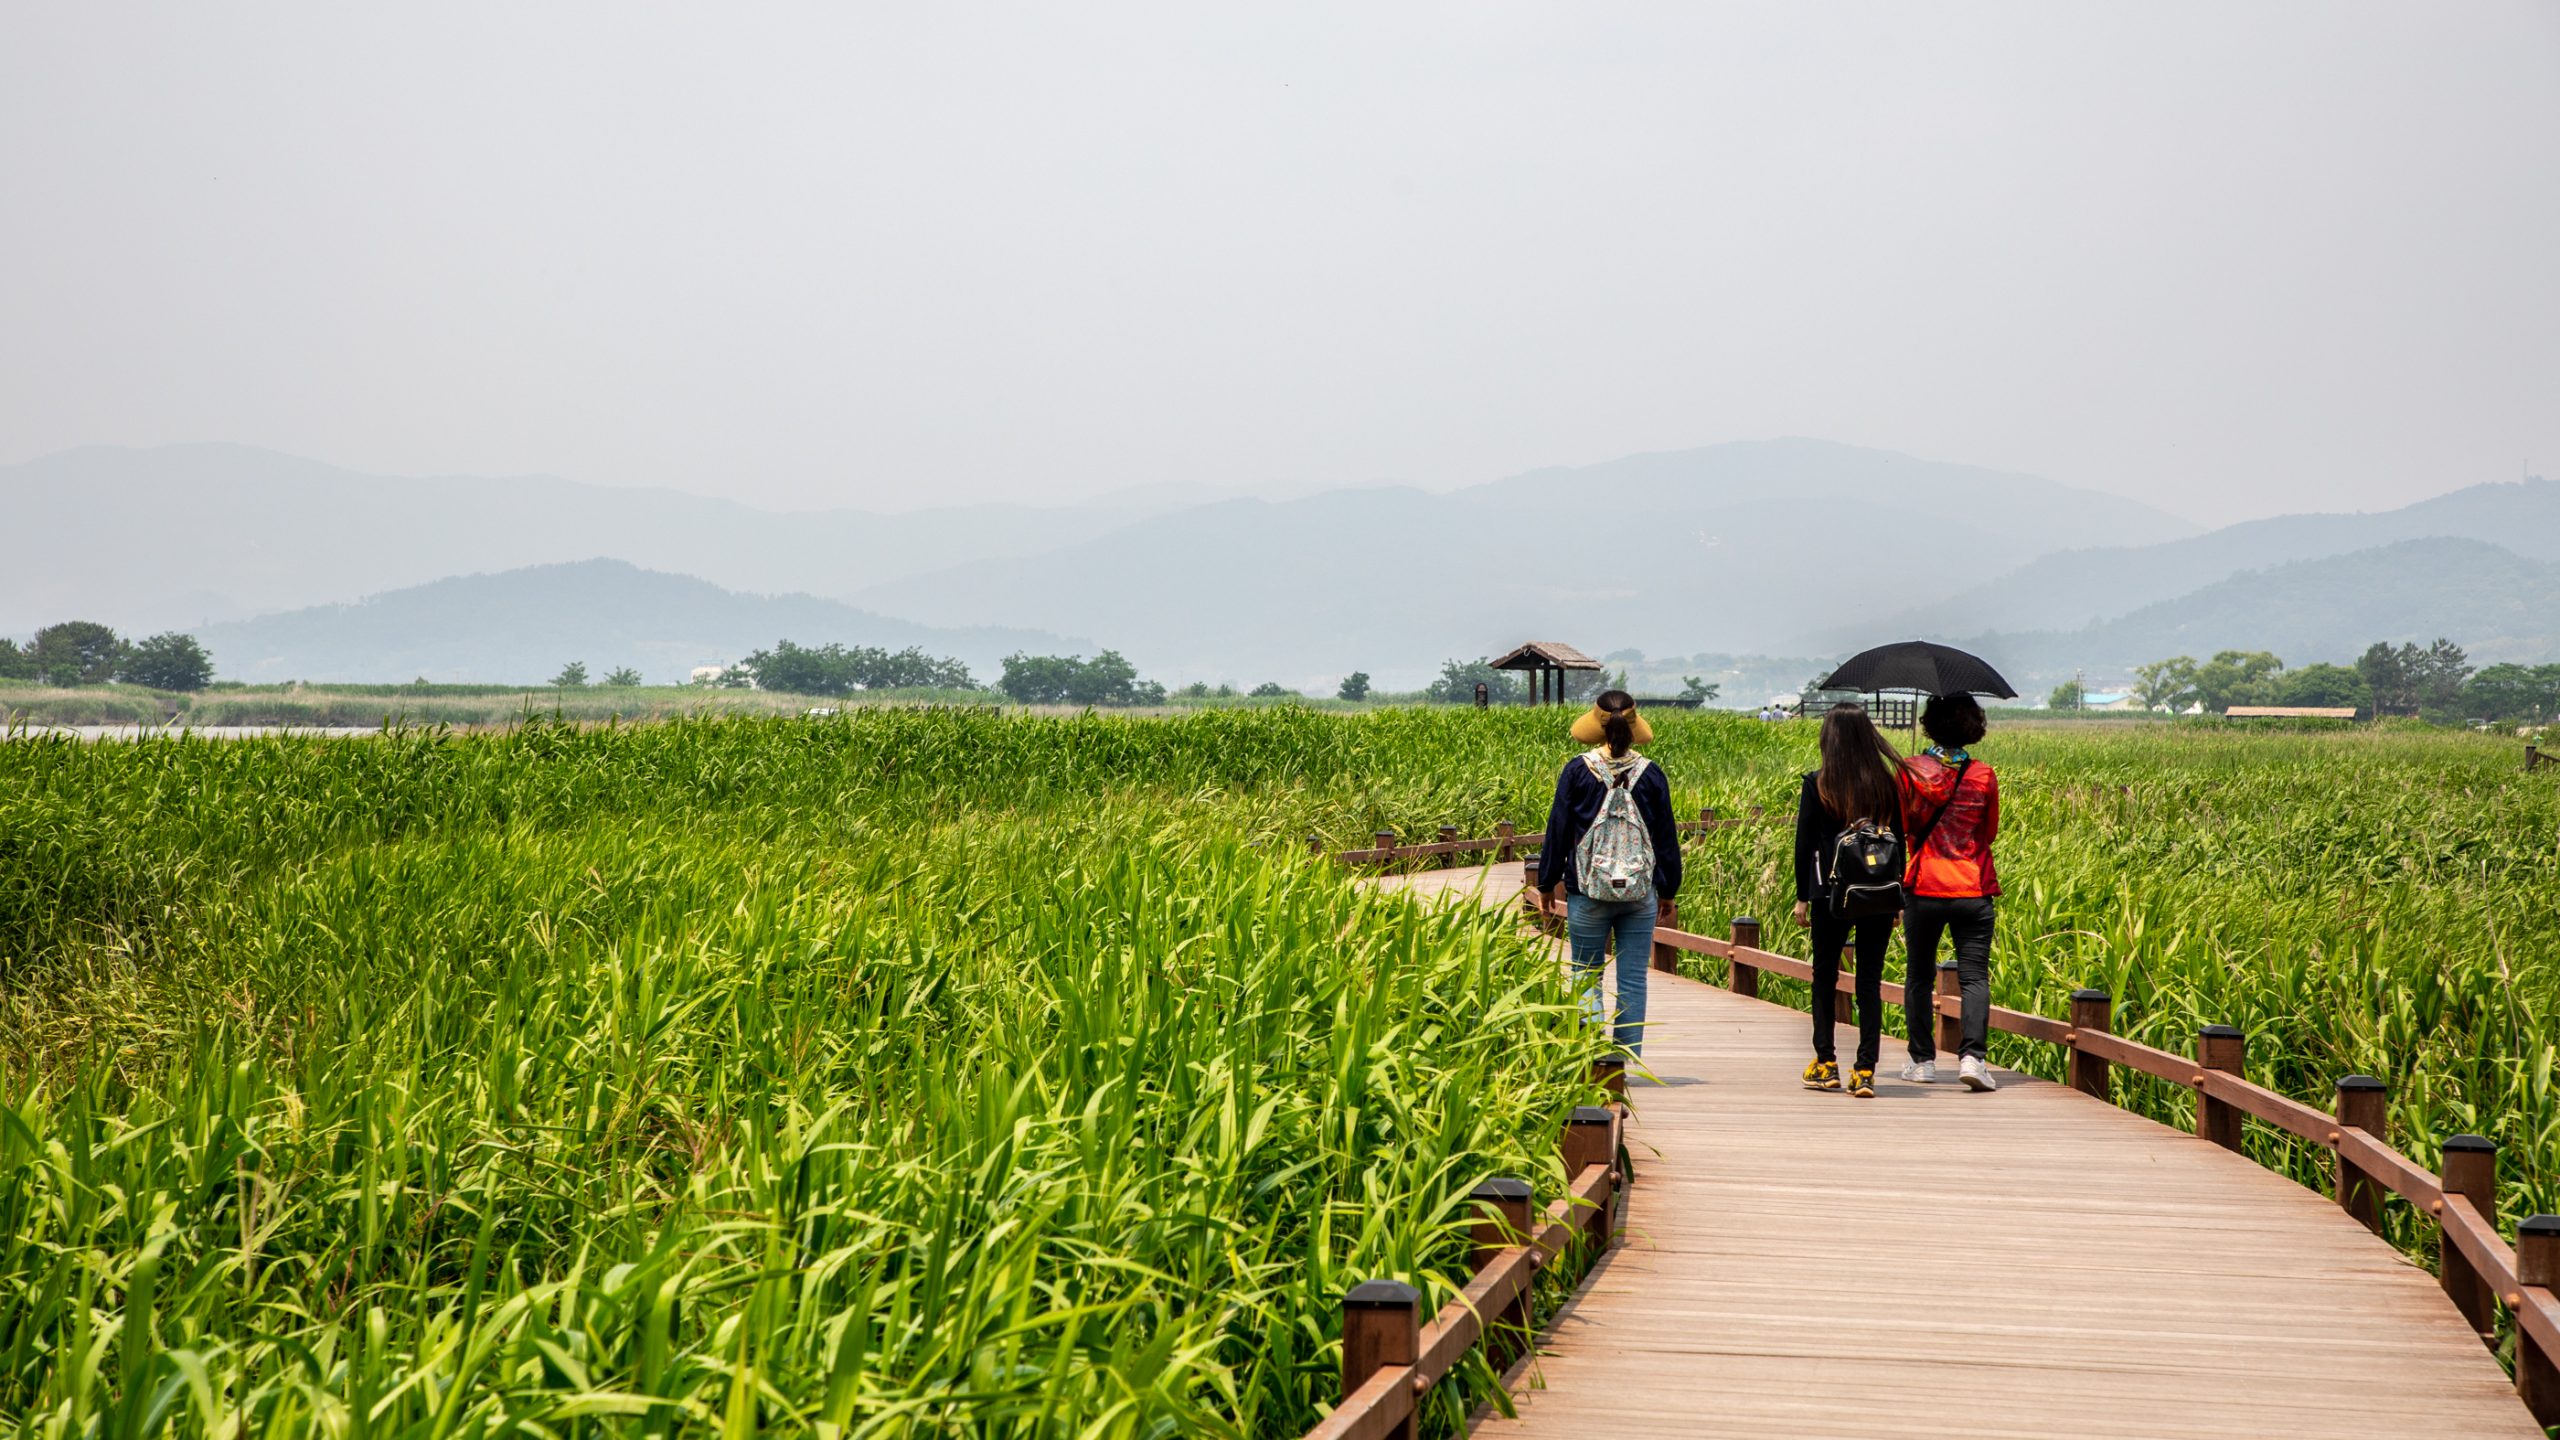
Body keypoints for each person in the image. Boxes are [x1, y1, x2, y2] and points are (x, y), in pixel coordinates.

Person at [1539, 689, 1681, 1056]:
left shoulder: (1577, 771)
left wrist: (1546, 883)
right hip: (1639, 894)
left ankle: (1589, 1056)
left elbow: (1557, 830)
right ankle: (1623, 1059)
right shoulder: (1651, 774)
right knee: (1632, 979)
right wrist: (1668, 891)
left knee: (1586, 974)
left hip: (1587, 891)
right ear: (1633, 726)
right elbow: (1665, 838)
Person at [1790, 703, 1905, 1098]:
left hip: (1830, 893)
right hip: (1877, 893)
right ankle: (1865, 1070)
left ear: (1830, 738)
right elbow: (1899, 842)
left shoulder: (1818, 783)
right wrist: (1898, 899)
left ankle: (1825, 1064)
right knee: (1869, 981)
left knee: (1825, 976)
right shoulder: (1886, 784)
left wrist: (1802, 898)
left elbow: (1805, 845)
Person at [1897, 692, 2002, 1091]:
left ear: (1929, 724)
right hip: (1972, 888)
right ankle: (1973, 1059)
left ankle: (1922, 1061)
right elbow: (1987, 833)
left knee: (1919, 975)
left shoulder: (1910, 770)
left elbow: (1903, 824)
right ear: (1973, 726)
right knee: (1975, 976)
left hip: (1923, 886)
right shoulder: (1982, 774)